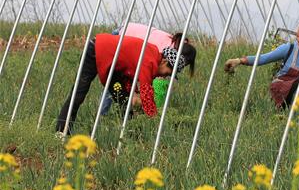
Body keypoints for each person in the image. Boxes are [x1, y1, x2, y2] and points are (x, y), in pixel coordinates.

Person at [56, 33, 195, 134]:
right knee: (79, 93)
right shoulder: (150, 60)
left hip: (114, 66)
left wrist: (134, 94)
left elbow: (131, 76)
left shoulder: (152, 57)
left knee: (124, 99)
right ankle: (61, 132)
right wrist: (155, 120)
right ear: (164, 62)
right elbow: (146, 93)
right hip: (97, 50)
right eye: (168, 73)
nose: (165, 76)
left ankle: (131, 133)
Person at [100, 25, 196, 114]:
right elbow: (146, 77)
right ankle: (102, 115)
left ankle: (122, 115)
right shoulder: (163, 51)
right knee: (113, 82)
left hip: (125, 35)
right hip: (122, 35)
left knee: (120, 86)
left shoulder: (172, 48)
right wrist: (153, 111)